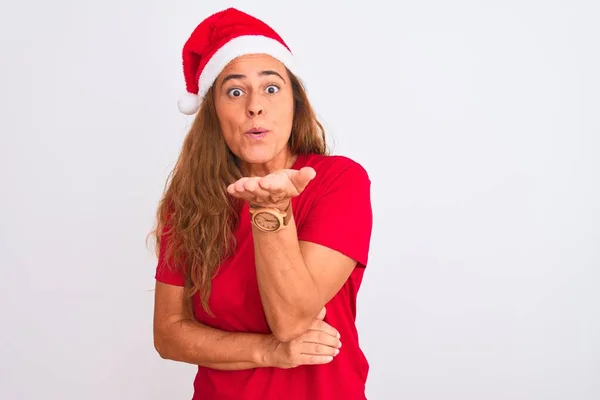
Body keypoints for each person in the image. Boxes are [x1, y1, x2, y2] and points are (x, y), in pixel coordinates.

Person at [151, 7, 373, 400]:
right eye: (235, 91)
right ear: (214, 113)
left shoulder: (339, 181)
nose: (255, 106)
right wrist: (266, 351)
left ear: (294, 104)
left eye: (271, 88)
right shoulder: (185, 204)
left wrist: (269, 208)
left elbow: (292, 320)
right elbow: (169, 334)